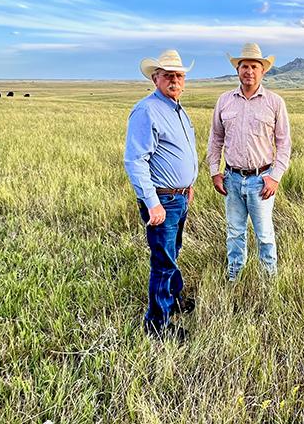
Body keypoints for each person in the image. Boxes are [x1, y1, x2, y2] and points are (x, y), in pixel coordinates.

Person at [124, 49, 198, 341]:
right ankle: (157, 324)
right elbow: (135, 160)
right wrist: (152, 203)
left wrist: (188, 185)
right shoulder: (147, 110)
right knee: (163, 260)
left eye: (179, 75)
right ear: (155, 78)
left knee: (172, 251)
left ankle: (174, 298)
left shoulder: (177, 109)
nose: (174, 80)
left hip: (179, 197)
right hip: (162, 200)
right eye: (168, 75)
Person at [207, 43, 291, 282]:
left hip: (261, 179)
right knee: (234, 233)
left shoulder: (275, 102)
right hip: (232, 178)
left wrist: (275, 176)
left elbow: (284, 143)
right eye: (245, 66)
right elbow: (216, 139)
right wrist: (215, 171)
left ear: (263, 71)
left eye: (255, 66)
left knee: (264, 235)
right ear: (238, 70)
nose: (249, 71)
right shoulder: (224, 101)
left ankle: (269, 281)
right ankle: (234, 277)